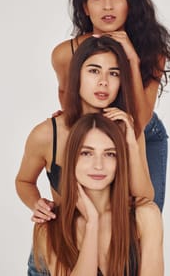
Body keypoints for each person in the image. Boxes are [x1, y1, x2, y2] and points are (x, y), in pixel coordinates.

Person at [15, 36, 153, 275]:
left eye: (114, 73)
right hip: (61, 249)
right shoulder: (47, 133)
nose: (103, 82)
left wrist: (130, 141)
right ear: (77, 75)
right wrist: (38, 203)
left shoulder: (127, 129)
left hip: (112, 249)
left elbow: (143, 198)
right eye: (94, 71)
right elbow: (24, 181)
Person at [51, 0, 170, 212]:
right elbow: (69, 101)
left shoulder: (151, 50)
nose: (107, 5)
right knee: (69, 217)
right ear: (85, 7)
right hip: (96, 133)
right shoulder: (66, 53)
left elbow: (139, 122)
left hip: (142, 133)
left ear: (129, 2)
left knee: (143, 216)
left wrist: (130, 58)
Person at [33, 113, 164, 276]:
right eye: (86, 153)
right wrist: (92, 223)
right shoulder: (49, 228)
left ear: (120, 161)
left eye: (110, 154)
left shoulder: (146, 216)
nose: (98, 165)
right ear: (71, 158)